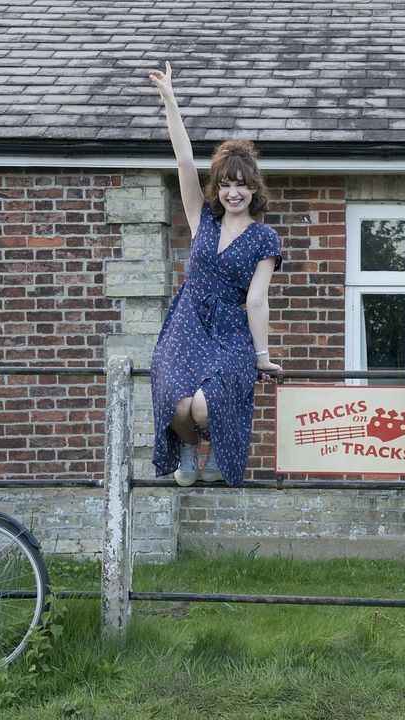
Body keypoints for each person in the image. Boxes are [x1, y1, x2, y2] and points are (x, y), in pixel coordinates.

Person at [147, 63, 282, 487]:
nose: (233, 192)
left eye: (241, 184)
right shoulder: (201, 219)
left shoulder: (264, 238)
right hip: (187, 322)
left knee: (205, 406)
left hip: (229, 331)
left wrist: (261, 356)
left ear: (253, 188)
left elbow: (256, 300)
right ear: (217, 188)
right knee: (178, 405)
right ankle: (188, 446)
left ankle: (218, 450)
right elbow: (184, 160)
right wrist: (170, 100)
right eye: (225, 184)